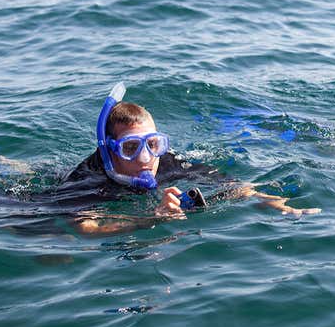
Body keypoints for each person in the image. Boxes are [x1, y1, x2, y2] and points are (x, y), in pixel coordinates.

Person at [61, 83, 319, 233]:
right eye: (130, 148)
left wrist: (279, 206)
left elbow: (239, 188)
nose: (145, 158)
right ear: (110, 151)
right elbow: (85, 228)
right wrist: (150, 220)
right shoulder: (89, 180)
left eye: (153, 144)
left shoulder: (168, 162)